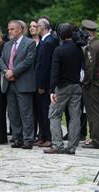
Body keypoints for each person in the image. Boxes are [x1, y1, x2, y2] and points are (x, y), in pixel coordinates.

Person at [44, 23, 84, 155]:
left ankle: (57, 145)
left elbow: (54, 72)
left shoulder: (59, 50)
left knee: (54, 115)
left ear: (59, 35)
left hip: (62, 87)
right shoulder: (78, 48)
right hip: (76, 85)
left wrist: (51, 90)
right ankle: (72, 147)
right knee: (75, 116)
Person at [0, 20, 36, 149]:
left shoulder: (29, 43)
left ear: (20, 30)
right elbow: (2, 59)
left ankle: (28, 139)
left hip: (23, 82)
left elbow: (28, 61)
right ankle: (17, 138)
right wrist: (6, 72)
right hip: (9, 83)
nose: (9, 31)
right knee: (13, 113)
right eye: (9, 29)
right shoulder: (7, 44)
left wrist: (13, 72)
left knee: (25, 113)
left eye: (12, 29)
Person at [80, 20, 99, 149]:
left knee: (94, 113)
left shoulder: (92, 46)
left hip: (93, 84)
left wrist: (85, 82)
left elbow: (89, 67)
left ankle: (96, 140)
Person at [34, 18, 59, 147]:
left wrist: (41, 85)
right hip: (42, 81)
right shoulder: (45, 41)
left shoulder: (49, 42)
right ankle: (42, 136)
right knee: (40, 111)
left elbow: (45, 65)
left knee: (45, 111)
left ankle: (48, 137)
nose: (35, 28)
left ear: (43, 27)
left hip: (45, 83)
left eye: (37, 26)